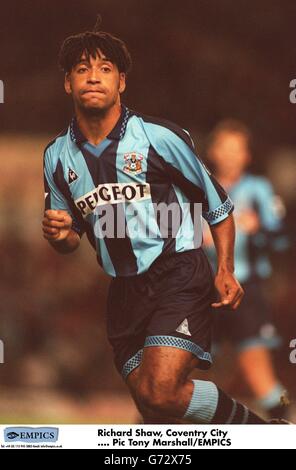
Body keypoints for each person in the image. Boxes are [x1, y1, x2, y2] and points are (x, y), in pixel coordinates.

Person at [42, 25, 285, 425]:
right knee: (153, 405)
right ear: (67, 82)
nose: (92, 76)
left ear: (121, 81)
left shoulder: (159, 138)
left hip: (179, 274)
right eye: (81, 69)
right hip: (122, 291)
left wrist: (225, 268)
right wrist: (59, 234)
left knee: (163, 390)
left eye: (104, 68)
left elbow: (218, 206)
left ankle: (262, 430)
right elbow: (69, 241)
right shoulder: (56, 157)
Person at [204, 119, 291, 420]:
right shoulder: (199, 188)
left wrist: (258, 229)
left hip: (247, 291)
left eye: (236, 149)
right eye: (223, 147)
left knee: (258, 372)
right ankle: (149, 428)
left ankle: (285, 423)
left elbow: (281, 240)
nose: (229, 155)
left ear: (246, 155)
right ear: (213, 151)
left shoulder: (259, 189)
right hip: (203, 292)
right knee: (186, 368)